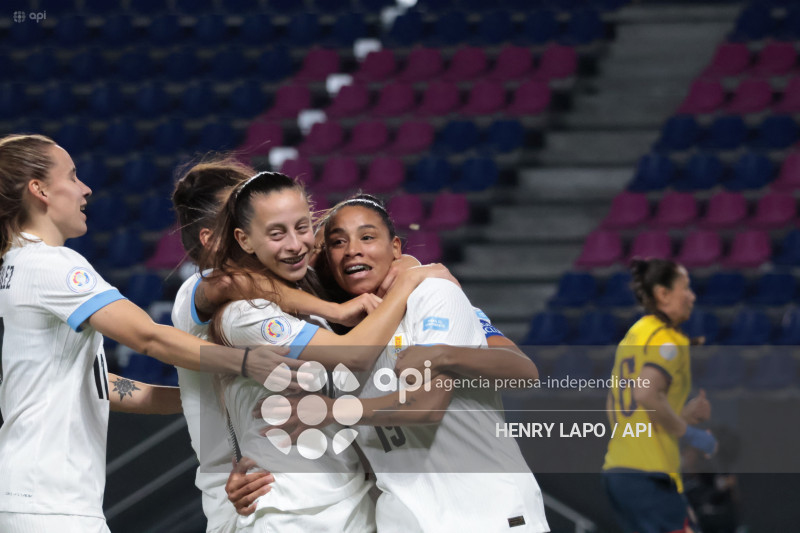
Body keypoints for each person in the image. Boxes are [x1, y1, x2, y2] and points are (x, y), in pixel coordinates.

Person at [0, 134, 295, 532]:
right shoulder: (51, 265)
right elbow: (148, 338)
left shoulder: (15, 266)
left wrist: (195, 399)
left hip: (31, 495)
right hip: (48, 500)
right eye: (71, 176)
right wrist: (244, 362)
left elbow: (97, 383)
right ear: (39, 190)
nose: (85, 188)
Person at [200, 171, 461, 532]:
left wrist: (406, 264)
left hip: (357, 504)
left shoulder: (317, 296)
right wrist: (411, 279)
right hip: (287, 509)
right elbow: (354, 355)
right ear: (244, 240)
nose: (294, 245)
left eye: (302, 227)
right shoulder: (246, 315)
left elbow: (371, 264)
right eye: (277, 233)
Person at [305, 194, 550, 533]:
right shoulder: (328, 343)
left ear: (395, 248)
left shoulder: (432, 292)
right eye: (334, 243)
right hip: (404, 521)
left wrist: (444, 354)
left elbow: (518, 374)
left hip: (489, 513)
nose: (351, 250)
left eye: (366, 236)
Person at [603, 258, 717, 533]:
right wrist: (692, 434)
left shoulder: (635, 334)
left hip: (619, 472)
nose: (692, 296)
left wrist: (682, 416)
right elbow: (645, 393)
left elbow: (617, 406)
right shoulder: (667, 339)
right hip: (648, 477)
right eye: (685, 288)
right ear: (663, 294)